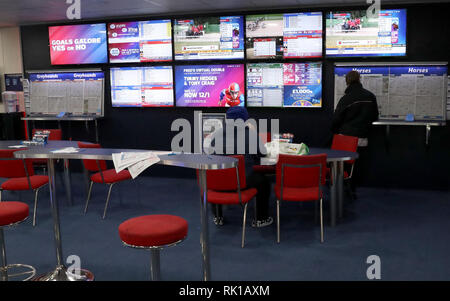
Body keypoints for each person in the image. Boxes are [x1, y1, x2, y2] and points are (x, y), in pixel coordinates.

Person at [208, 106, 273, 228]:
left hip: (218, 182)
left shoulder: (216, 134)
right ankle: (261, 219)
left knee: (213, 178)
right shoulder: (250, 134)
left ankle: (218, 217)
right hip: (242, 182)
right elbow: (262, 153)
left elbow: (211, 156)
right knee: (263, 182)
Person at [331, 70, 379, 194]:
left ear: (347, 81)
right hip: (362, 138)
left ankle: (340, 187)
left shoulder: (346, 98)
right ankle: (352, 187)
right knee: (356, 165)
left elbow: (336, 119)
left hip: (345, 139)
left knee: (341, 164)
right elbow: (375, 117)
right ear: (359, 79)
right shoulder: (370, 96)